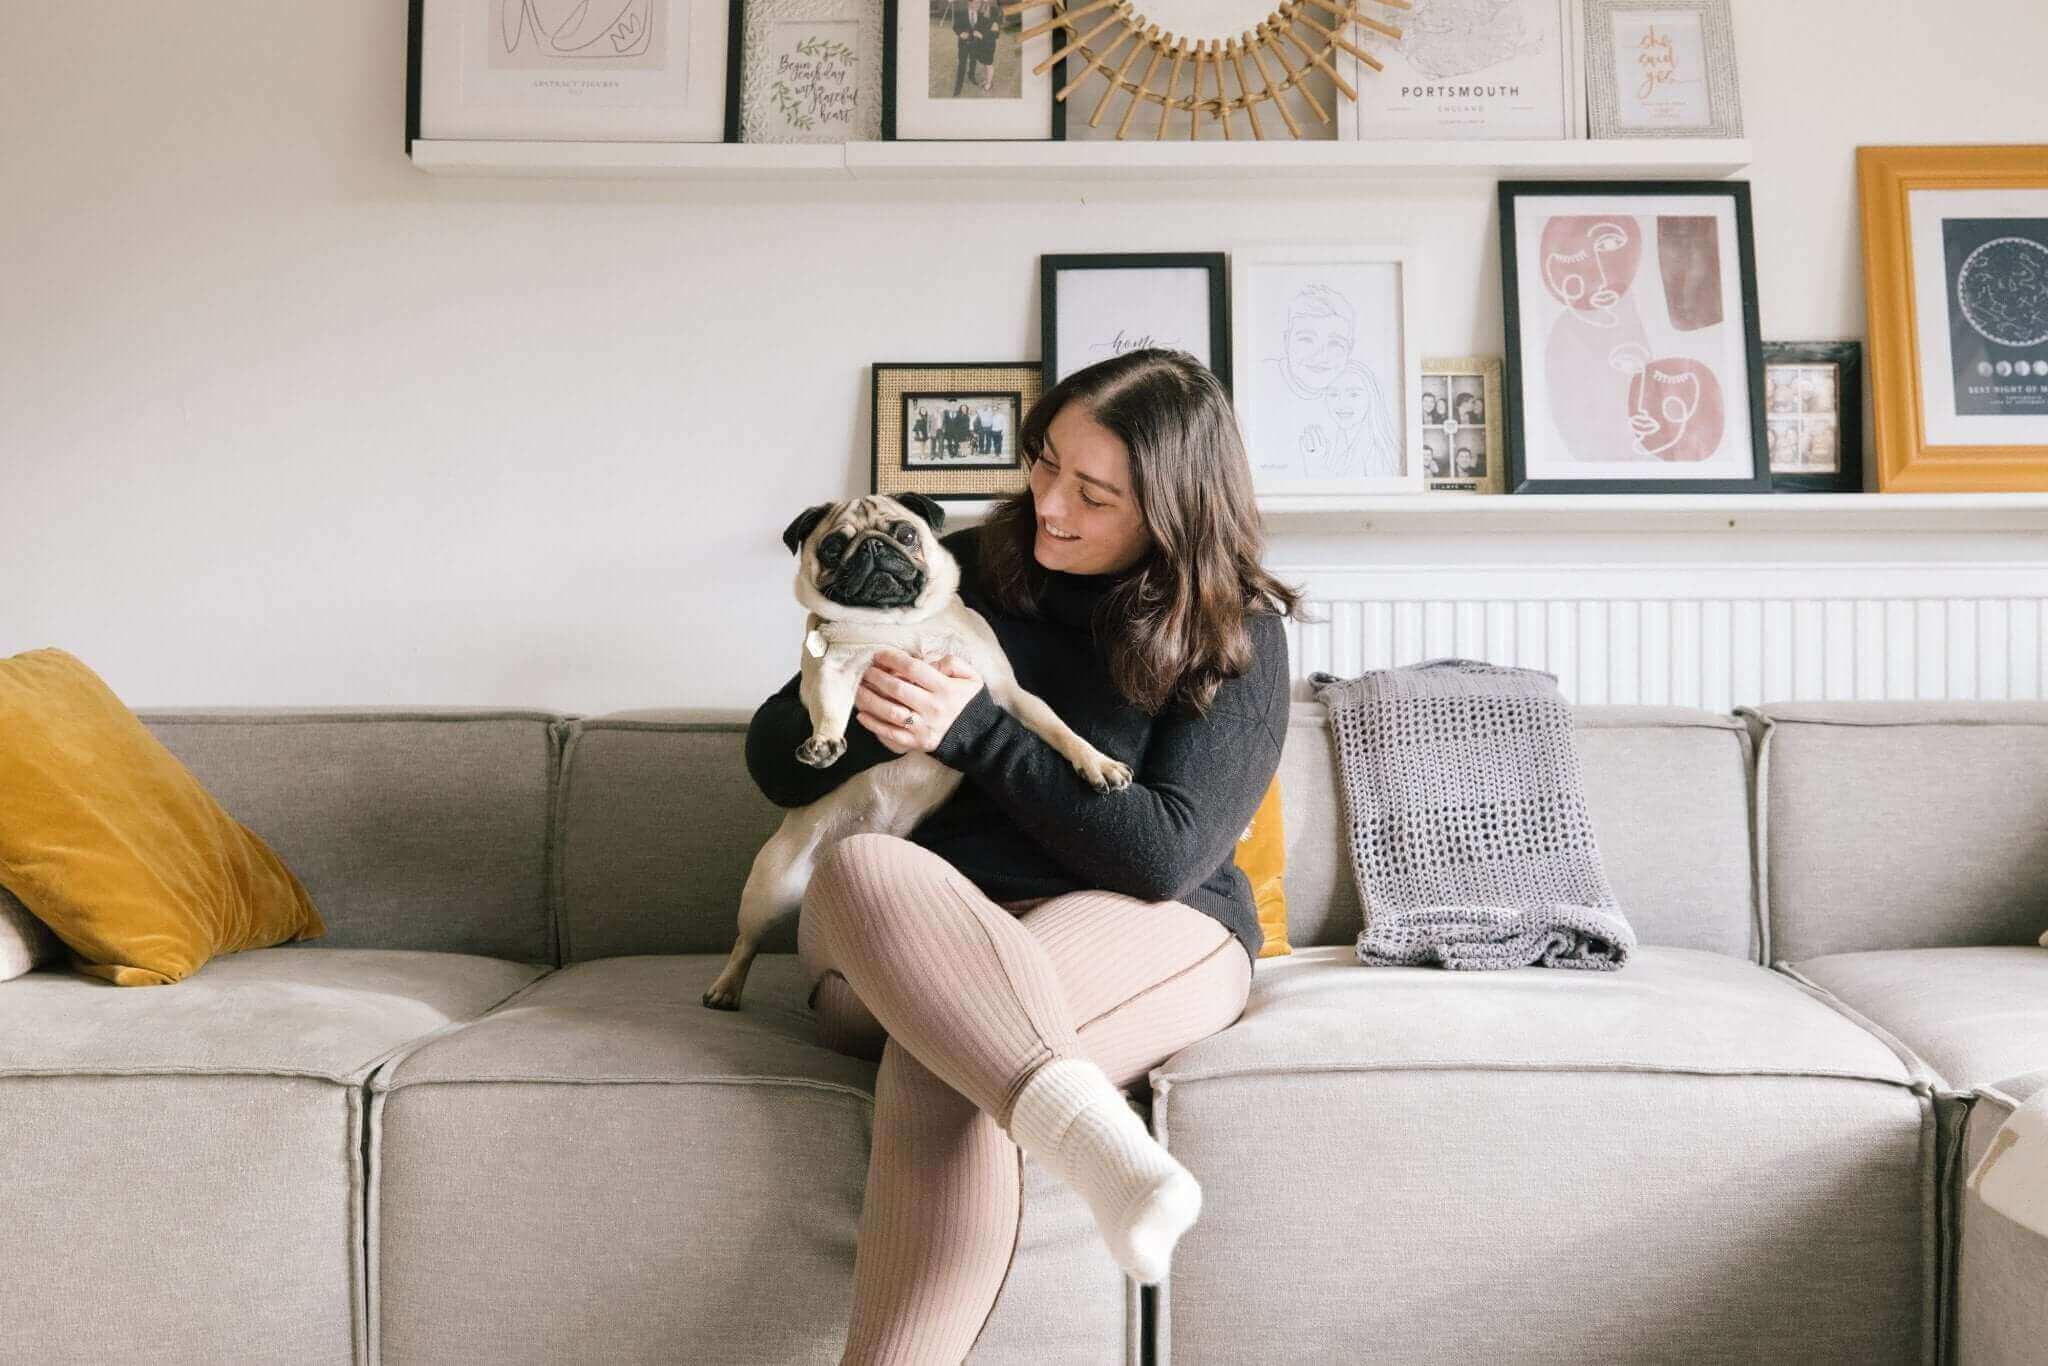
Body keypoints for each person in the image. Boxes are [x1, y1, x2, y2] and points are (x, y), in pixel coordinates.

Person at [745, 348, 1301, 1363]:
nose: (1049, 505)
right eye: (1043, 465)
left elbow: (1162, 858)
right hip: (906, 927)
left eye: (1093, 494)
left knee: (942, 1061)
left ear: (1173, 512)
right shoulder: (953, 567)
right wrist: (872, 717)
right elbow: (777, 768)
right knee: (862, 866)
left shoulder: (1231, 627)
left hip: (1141, 921)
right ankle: (1100, 1152)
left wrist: (974, 731)